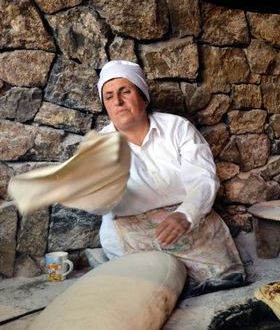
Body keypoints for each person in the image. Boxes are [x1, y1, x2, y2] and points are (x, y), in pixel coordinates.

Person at [96, 60, 245, 294]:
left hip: (185, 219)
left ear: (144, 97)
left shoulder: (177, 128)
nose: (118, 101)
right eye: (109, 96)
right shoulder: (99, 147)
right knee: (150, 290)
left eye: (126, 91)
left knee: (223, 279)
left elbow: (203, 178)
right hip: (131, 228)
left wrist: (185, 215)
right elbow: (97, 198)